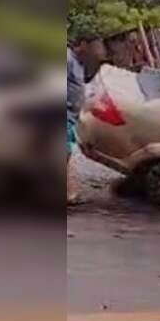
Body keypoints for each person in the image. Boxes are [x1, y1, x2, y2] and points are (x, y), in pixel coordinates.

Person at [66, 27, 107, 204]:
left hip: (71, 116)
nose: (97, 51)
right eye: (94, 47)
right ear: (83, 44)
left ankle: (69, 193)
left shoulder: (81, 63)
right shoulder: (67, 59)